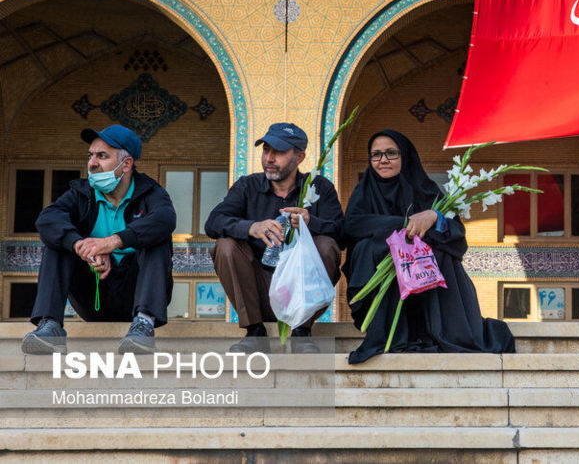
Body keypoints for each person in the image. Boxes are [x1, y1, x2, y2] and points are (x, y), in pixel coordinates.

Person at [344, 130, 515, 364]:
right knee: (367, 247)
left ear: (406, 156)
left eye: (391, 153)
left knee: (441, 251)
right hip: (382, 278)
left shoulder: (426, 190)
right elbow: (352, 226)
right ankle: (391, 333)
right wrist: (404, 225)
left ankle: (439, 329)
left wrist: (434, 216)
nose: (383, 160)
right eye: (376, 155)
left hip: (425, 289)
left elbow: (456, 233)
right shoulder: (364, 192)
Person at [22, 125, 176, 355]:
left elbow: (165, 219)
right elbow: (48, 219)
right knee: (58, 240)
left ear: (126, 164)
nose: (92, 163)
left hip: (135, 294)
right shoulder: (80, 193)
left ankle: (144, 323)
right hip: (94, 293)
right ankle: (50, 325)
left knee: (157, 238)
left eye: (102, 156)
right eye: (90, 155)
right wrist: (81, 246)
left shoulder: (151, 193)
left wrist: (112, 242)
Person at [205, 123, 343, 354]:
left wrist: (312, 224)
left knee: (326, 245)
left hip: (299, 290)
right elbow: (213, 223)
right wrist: (251, 227)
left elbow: (342, 233)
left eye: (278, 152)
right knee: (225, 245)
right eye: (266, 150)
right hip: (257, 287)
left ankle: (302, 332)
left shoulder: (319, 187)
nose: (269, 158)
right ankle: (254, 331)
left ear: (299, 157)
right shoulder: (247, 185)